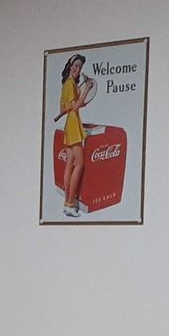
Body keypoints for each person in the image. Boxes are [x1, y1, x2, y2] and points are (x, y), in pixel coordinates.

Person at [57, 52, 91, 216]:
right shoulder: (69, 84)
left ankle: (66, 203)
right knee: (80, 164)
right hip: (72, 124)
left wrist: (83, 92)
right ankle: (70, 203)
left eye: (80, 67)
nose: (78, 69)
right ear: (70, 66)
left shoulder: (68, 85)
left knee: (70, 163)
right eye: (76, 66)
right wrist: (87, 90)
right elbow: (75, 106)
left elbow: (69, 106)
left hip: (70, 123)